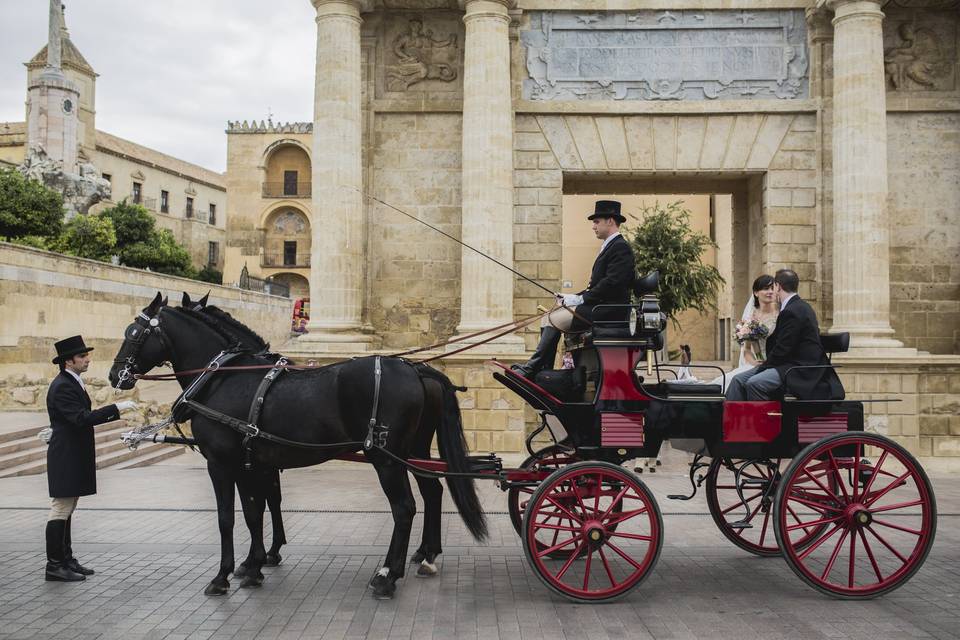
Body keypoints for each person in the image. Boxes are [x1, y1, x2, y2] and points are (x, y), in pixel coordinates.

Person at [44, 335, 137, 581]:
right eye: (82, 356)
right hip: (66, 454)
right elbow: (80, 418)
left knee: (69, 507)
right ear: (68, 361)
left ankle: (66, 559)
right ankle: (54, 565)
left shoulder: (72, 381)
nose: (87, 360)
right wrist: (116, 409)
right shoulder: (63, 385)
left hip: (72, 452)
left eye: (86, 355)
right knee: (61, 507)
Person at [512, 200, 636, 378]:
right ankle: (541, 368)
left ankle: (535, 368)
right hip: (599, 307)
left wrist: (580, 300)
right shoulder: (612, 246)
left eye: (596, 222)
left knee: (552, 318)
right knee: (549, 317)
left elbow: (611, 283)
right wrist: (572, 297)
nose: (593, 226)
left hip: (608, 311)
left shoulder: (620, 247)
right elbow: (598, 286)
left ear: (610, 221)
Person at [725, 269, 844, 401]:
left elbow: (783, 349)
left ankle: (762, 420)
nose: (772, 291)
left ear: (778, 286)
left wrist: (764, 366)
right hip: (783, 364)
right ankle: (733, 420)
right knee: (737, 380)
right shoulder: (795, 307)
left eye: (773, 286)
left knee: (755, 383)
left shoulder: (793, 310)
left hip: (797, 367)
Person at [709, 275, 778, 391]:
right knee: (724, 382)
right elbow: (746, 350)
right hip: (755, 364)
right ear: (756, 293)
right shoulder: (751, 317)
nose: (770, 292)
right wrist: (755, 363)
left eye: (772, 288)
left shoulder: (780, 314)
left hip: (774, 362)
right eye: (766, 289)